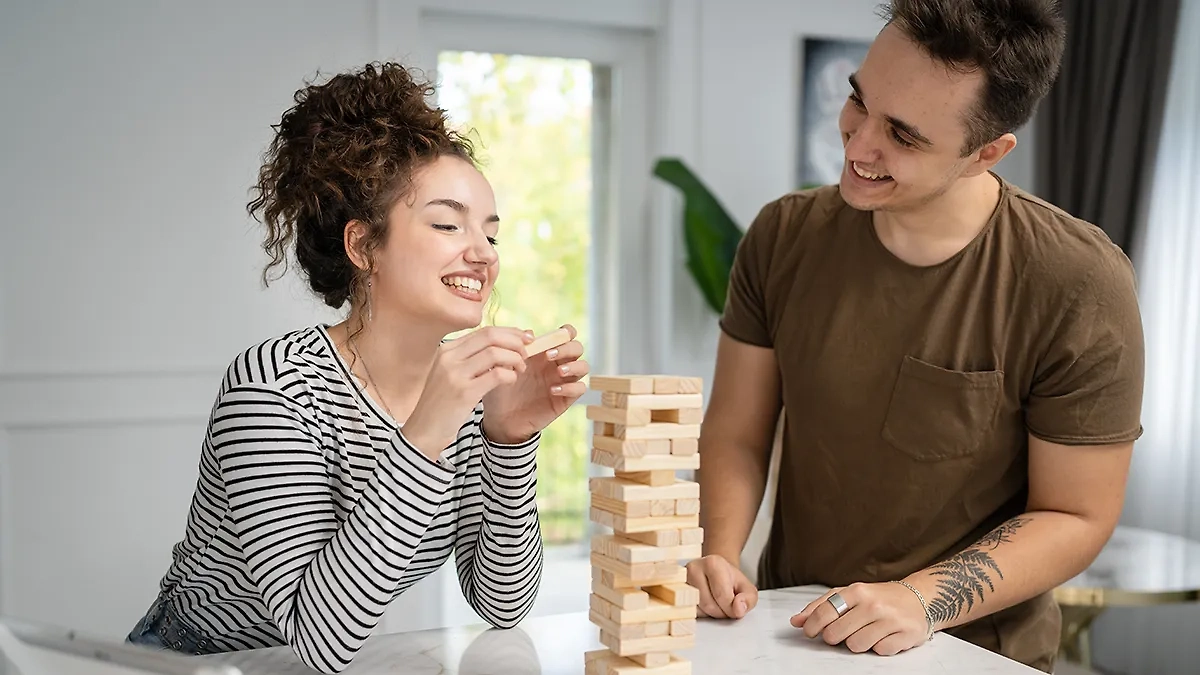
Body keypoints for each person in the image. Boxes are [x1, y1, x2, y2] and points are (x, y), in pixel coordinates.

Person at [687, 1, 1144, 672]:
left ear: (985, 153)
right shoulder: (782, 236)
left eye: (902, 135)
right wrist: (719, 552)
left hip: (973, 652)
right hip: (790, 635)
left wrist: (920, 598)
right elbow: (736, 430)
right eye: (857, 99)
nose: (857, 142)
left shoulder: (1077, 282)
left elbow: (1076, 514)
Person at [124, 62, 588, 674]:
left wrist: (509, 440)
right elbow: (317, 636)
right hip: (192, 665)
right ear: (363, 246)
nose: (481, 254)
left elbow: (500, 604)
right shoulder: (274, 386)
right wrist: (425, 433)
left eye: (492, 235)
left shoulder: (468, 390)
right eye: (448, 224)